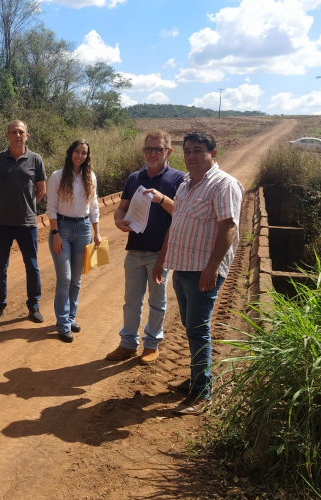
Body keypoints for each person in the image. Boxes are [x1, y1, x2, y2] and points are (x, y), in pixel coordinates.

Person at [153, 131, 244, 415]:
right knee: (191, 327)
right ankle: (196, 378)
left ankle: (202, 393)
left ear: (213, 153)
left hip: (203, 270)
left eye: (198, 150)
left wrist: (212, 268)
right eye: (187, 150)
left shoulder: (223, 184)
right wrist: (162, 260)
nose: (191, 156)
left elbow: (228, 228)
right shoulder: (185, 185)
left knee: (199, 328)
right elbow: (176, 223)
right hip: (181, 266)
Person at [105, 130, 186, 363]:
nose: (152, 153)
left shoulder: (178, 179)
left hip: (161, 252)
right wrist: (118, 221)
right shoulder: (134, 178)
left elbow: (181, 213)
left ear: (168, 151)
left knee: (157, 301)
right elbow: (122, 207)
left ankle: (151, 344)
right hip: (135, 248)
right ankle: (128, 343)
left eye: (158, 149)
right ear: (143, 151)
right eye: (148, 149)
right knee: (131, 300)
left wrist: (162, 199)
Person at [0, 120, 47, 323]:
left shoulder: (36, 160)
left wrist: (27, 205)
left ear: (27, 135)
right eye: (14, 132)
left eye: (21, 132)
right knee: (0, 267)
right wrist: (2, 202)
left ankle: (34, 306)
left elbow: (41, 190)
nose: (18, 135)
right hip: (2, 223)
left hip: (27, 223)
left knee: (32, 266)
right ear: (7, 136)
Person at [45, 139, 101, 343]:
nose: (80, 156)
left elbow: (93, 205)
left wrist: (97, 232)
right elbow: (51, 207)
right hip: (63, 229)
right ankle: (63, 324)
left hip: (84, 228)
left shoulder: (91, 177)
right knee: (65, 278)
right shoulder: (57, 176)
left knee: (77, 279)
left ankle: (70, 317)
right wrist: (55, 234)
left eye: (84, 153)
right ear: (70, 153)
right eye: (77, 151)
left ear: (87, 156)